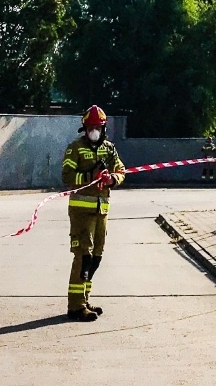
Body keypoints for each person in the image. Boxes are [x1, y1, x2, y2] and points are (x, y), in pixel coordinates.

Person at [61, 105, 125, 320]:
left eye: (97, 128)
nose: (94, 132)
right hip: (81, 212)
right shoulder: (75, 148)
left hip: (101, 212)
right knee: (83, 257)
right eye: (90, 128)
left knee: (96, 257)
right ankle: (76, 306)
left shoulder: (109, 149)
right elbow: (67, 176)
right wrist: (91, 176)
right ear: (85, 129)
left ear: (103, 129)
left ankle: (85, 299)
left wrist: (112, 179)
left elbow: (121, 170)